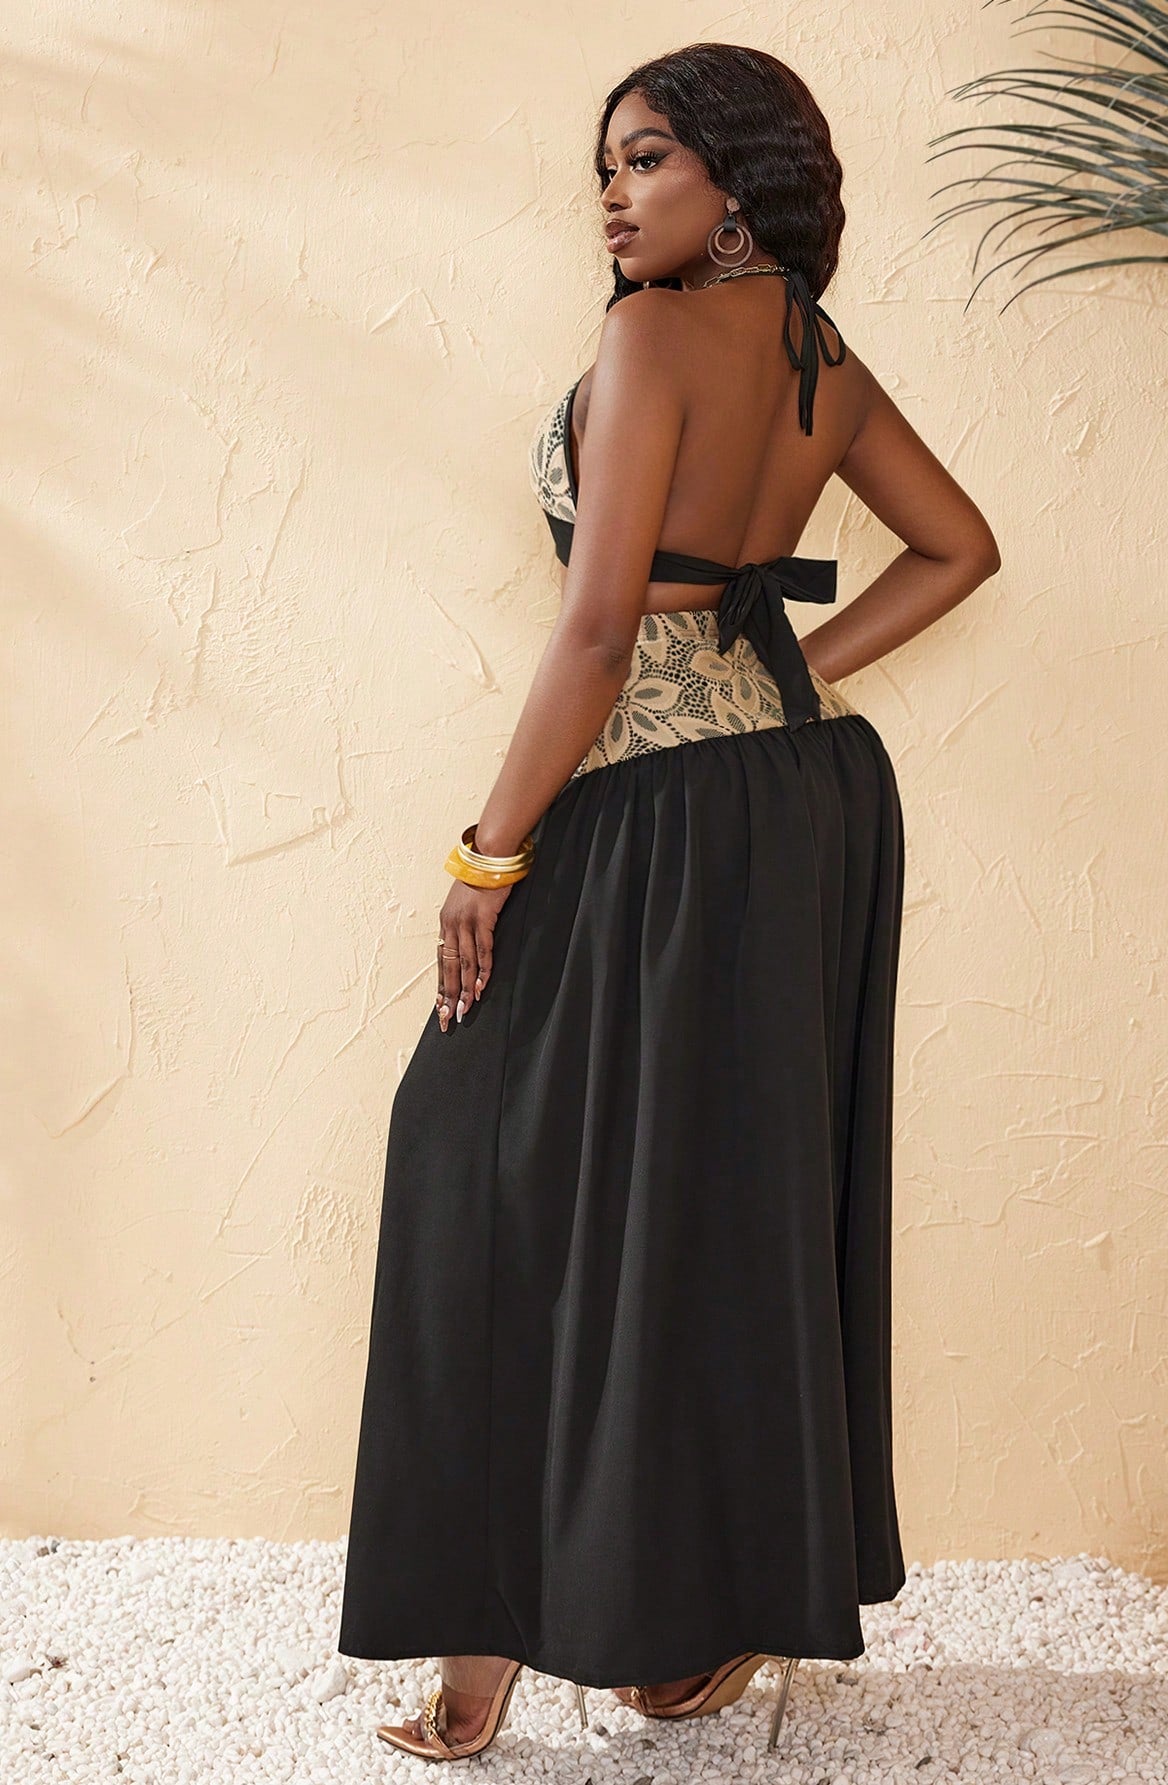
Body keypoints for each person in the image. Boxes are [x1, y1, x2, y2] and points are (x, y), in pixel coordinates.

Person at [336, 40, 1000, 1765]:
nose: (615, 198)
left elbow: (597, 631)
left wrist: (486, 854)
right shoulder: (820, 358)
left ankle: (496, 1643)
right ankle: (680, 1625)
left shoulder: (649, 338)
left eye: (646, 160)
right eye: (606, 170)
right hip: (797, 800)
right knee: (707, 1201)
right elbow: (958, 548)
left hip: (656, 806)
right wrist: (795, 675)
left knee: (483, 1171)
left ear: (737, 177)